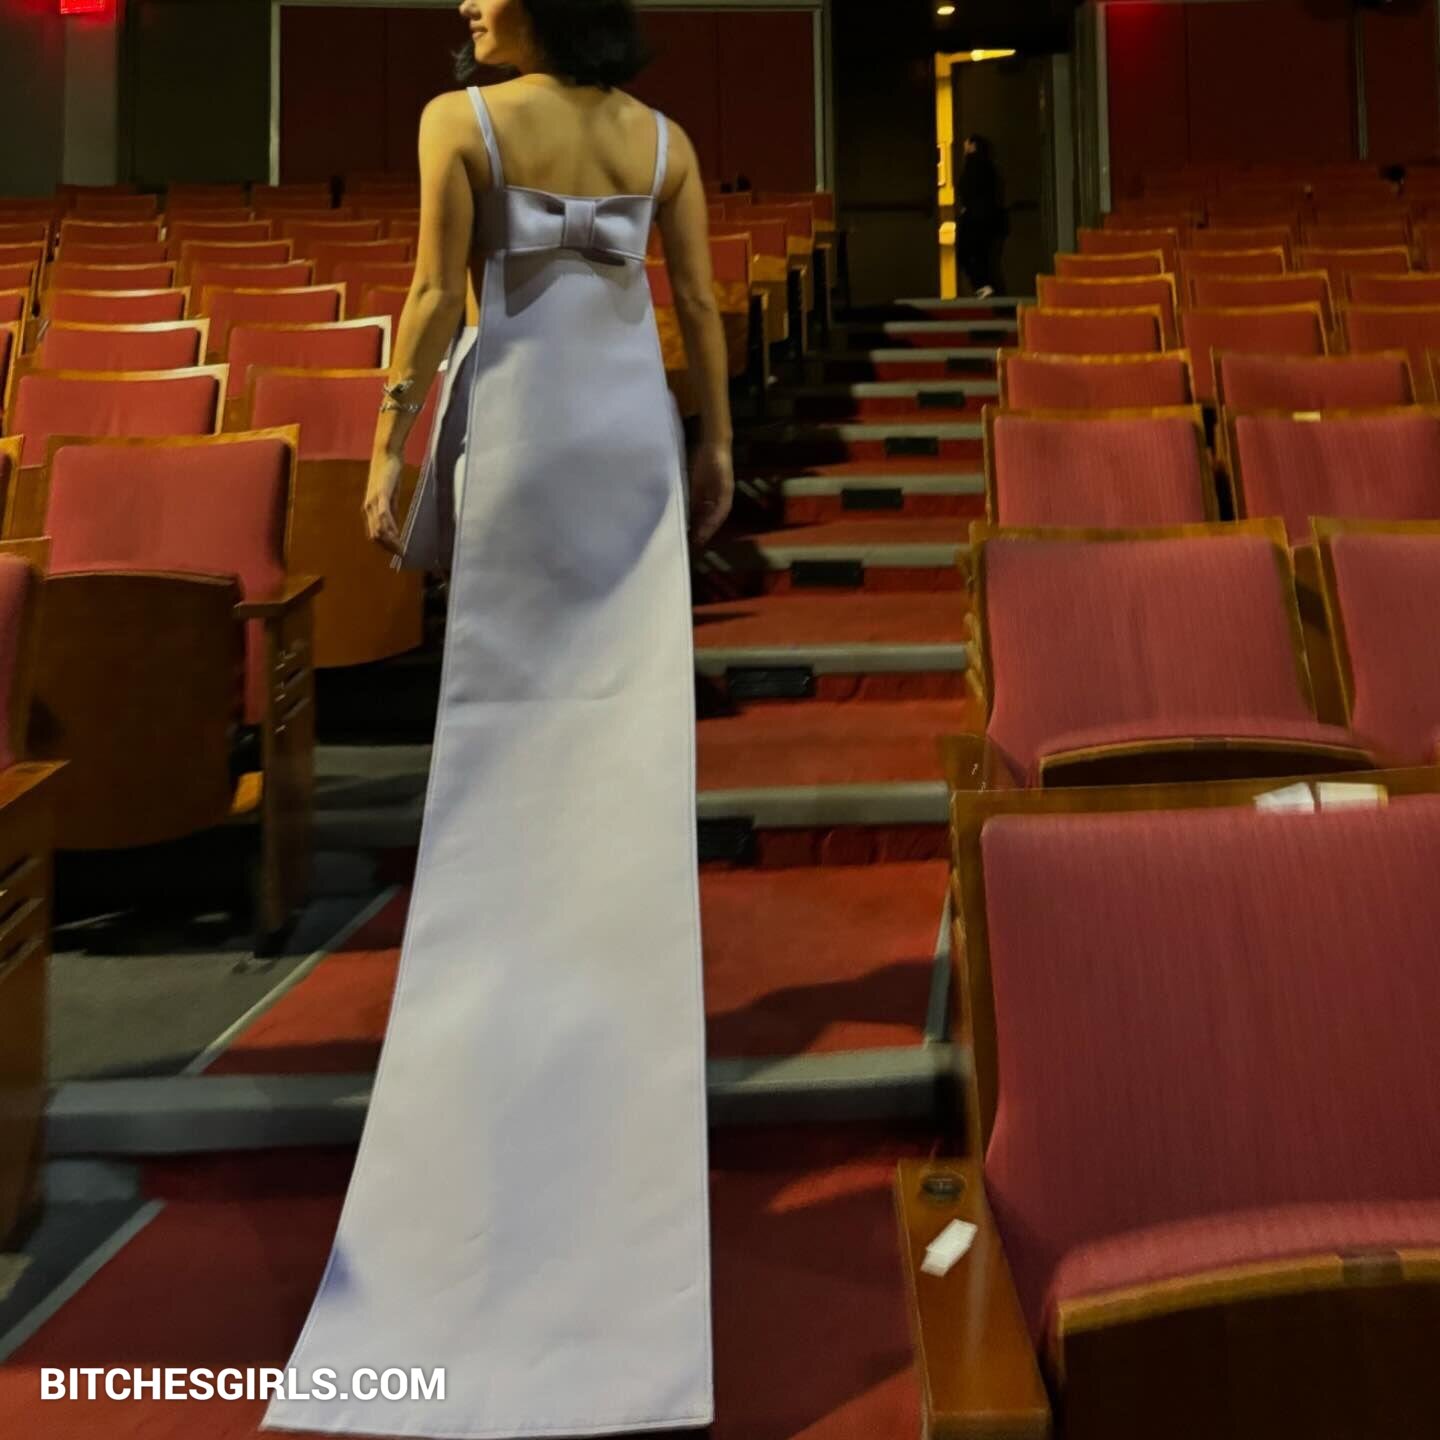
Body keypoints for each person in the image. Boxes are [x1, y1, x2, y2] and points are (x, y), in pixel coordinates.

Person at [264, 1, 728, 1436]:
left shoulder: (455, 122)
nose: (463, 2)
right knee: (625, 747)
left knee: (508, 736)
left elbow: (429, 297)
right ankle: (609, 1019)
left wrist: (392, 440)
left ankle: (496, 1021)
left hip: (527, 435)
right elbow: (701, 309)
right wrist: (716, 441)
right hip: (629, 438)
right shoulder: (664, 139)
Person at [956, 133, 1005, 300]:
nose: (964, 148)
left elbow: (967, 189)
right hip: (989, 218)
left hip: (974, 218)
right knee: (984, 256)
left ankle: (982, 285)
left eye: (967, 144)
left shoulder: (972, 166)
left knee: (966, 252)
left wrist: (966, 208)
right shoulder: (990, 167)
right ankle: (987, 287)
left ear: (973, 146)